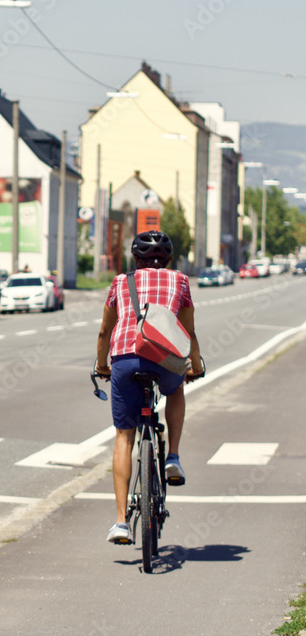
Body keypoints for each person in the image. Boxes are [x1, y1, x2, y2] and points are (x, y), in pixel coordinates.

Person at [94, 231, 204, 544]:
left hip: (127, 358)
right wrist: (194, 366)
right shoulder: (180, 281)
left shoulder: (120, 282)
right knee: (176, 388)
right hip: (164, 358)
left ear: (135, 259)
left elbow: (105, 331)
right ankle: (172, 456)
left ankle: (120, 523)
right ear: (169, 259)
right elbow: (188, 330)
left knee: (123, 436)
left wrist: (102, 365)